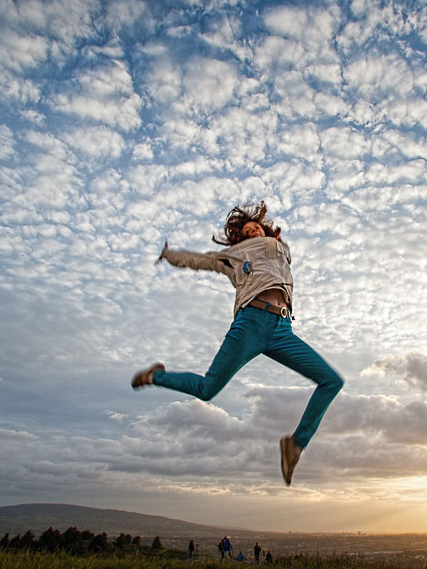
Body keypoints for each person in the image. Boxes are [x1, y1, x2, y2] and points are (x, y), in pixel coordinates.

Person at [131, 202, 344, 486]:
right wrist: (170, 255)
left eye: (255, 227)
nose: (253, 230)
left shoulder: (280, 250)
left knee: (331, 381)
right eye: (246, 231)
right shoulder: (233, 255)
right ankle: (155, 376)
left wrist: (273, 238)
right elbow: (199, 260)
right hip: (251, 323)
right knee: (207, 389)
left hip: (282, 329)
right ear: (239, 238)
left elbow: (280, 249)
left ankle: (295, 445)